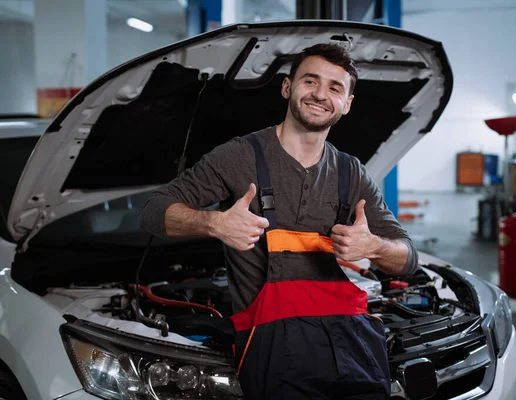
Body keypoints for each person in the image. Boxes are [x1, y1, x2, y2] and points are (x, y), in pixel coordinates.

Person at [139, 43, 418, 400]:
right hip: (274, 348)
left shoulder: (352, 172)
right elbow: (151, 211)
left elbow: (408, 258)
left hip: (350, 345)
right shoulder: (240, 156)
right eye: (310, 81)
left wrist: (374, 246)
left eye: (335, 88)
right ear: (287, 87)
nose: (320, 94)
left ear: (347, 104)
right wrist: (216, 224)